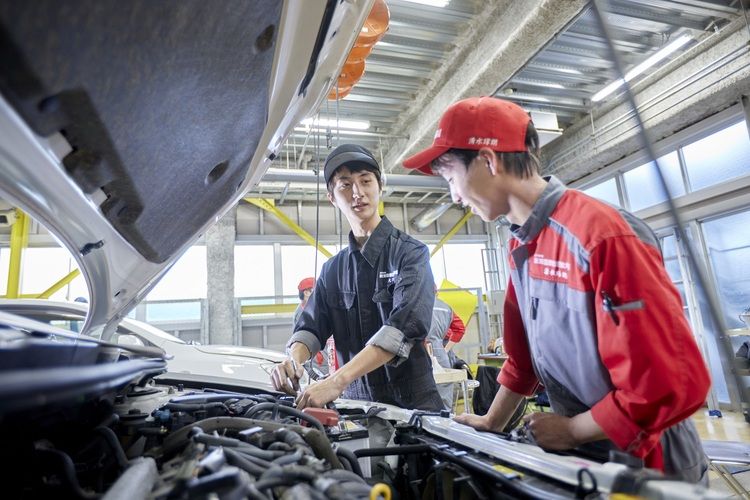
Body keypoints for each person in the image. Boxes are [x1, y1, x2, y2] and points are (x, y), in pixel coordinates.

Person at [402, 96, 710, 483]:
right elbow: (523, 360)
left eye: (450, 177)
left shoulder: (600, 235)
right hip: (583, 458)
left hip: (650, 462)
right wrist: (491, 423)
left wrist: (572, 430)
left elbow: (671, 383)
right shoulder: (520, 245)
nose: (454, 196)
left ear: (487, 160)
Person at [271, 144, 444, 411]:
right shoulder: (332, 269)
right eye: (345, 185)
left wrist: (336, 381)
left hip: (414, 403)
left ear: (380, 186)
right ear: (331, 197)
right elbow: (311, 326)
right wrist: (293, 360)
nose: (358, 193)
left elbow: (402, 328)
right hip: (357, 403)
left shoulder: (410, 253)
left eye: (365, 181)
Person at [426, 294, 466, 409]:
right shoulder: (446, 307)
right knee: (444, 389)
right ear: (436, 291)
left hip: (419, 352)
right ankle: (446, 420)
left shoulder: (416, 304)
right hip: (440, 351)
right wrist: (445, 350)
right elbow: (460, 328)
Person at [294, 277, 328, 377]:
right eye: (314, 290)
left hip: (323, 356)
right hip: (314, 359)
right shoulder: (300, 314)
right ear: (306, 293)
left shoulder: (313, 309)